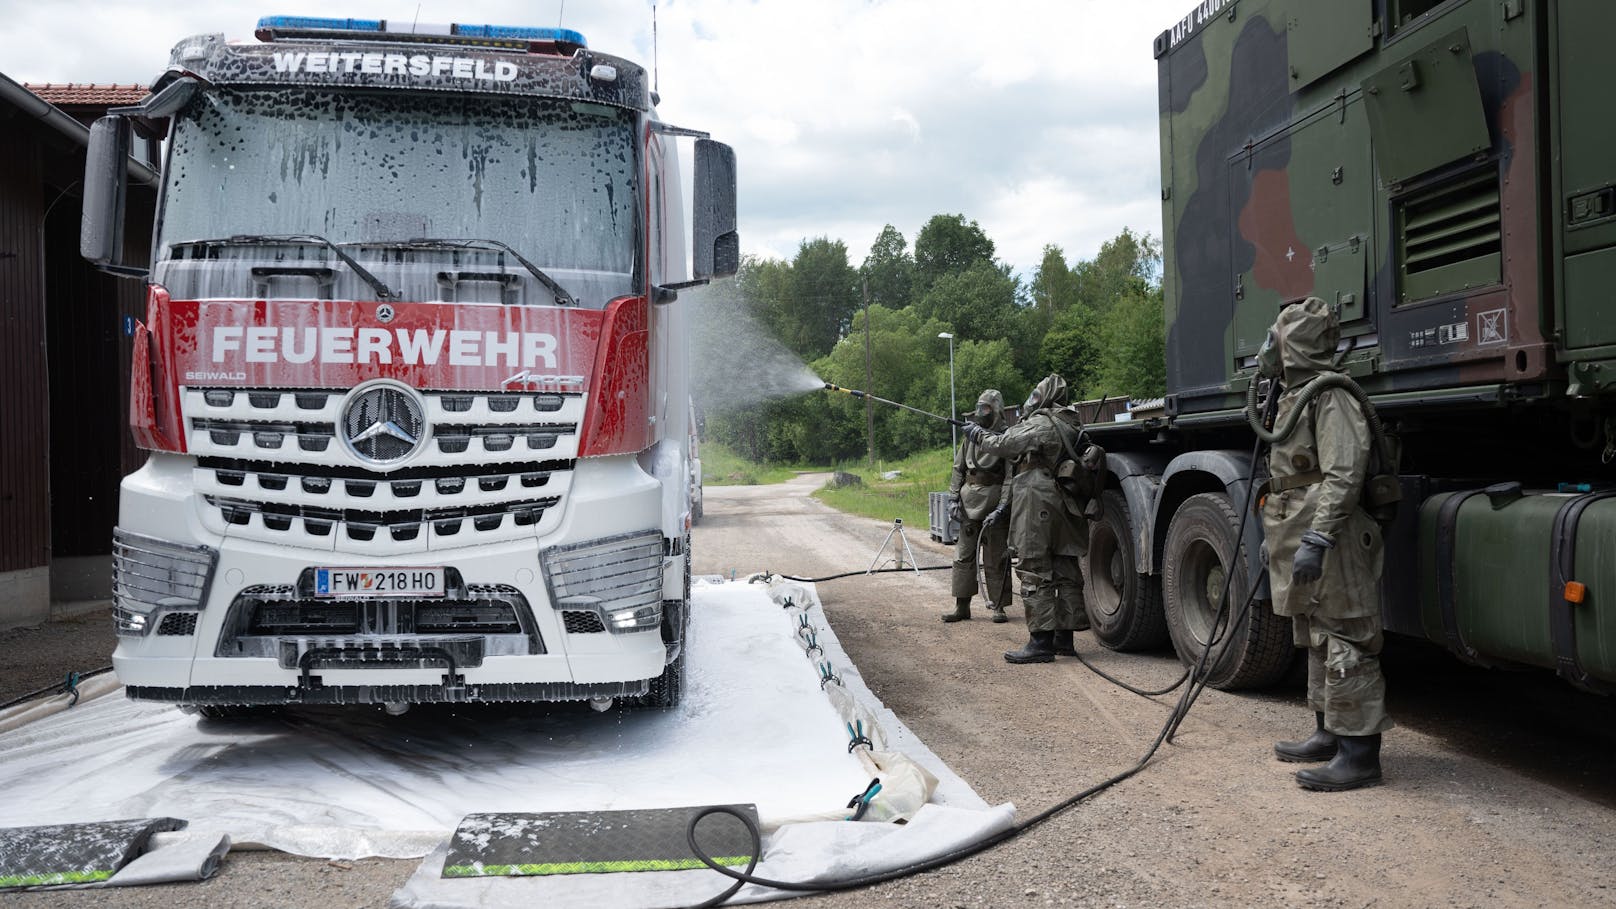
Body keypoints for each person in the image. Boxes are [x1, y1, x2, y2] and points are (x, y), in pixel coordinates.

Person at [1258, 297, 1390, 792]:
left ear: (1295, 347)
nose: (1266, 351)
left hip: (1329, 535)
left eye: (1275, 340)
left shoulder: (1332, 396)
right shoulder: (1297, 396)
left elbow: (1343, 475)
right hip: (1301, 528)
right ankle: (1328, 731)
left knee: (1344, 634)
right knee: (1314, 630)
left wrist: (1318, 536)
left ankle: (1360, 755)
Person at [963, 374, 1091, 663]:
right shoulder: (1072, 423)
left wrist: (976, 435)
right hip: (1065, 503)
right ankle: (1064, 639)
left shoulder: (1042, 422)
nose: (1031, 399)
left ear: (1045, 396)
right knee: (1064, 567)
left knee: (1034, 567)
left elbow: (1004, 444)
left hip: (1038, 504)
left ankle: (1041, 642)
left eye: (1035, 394)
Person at [944, 390, 1012, 624]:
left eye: (985, 409)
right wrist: (953, 498)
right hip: (968, 503)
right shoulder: (970, 436)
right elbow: (958, 468)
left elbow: (1010, 478)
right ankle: (962, 605)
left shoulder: (1006, 438)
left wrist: (1002, 507)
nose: (980, 413)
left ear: (995, 410)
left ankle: (998, 606)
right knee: (963, 556)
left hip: (994, 506)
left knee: (996, 558)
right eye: (978, 408)